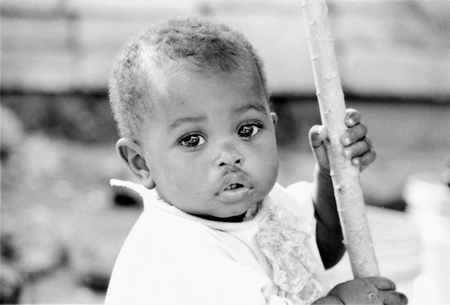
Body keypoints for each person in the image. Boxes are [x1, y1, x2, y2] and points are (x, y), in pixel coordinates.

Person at [105, 17, 407, 305]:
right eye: (192, 140)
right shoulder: (176, 255)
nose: (230, 156)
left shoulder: (260, 206)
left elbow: (319, 247)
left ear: (272, 128)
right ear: (141, 163)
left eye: (246, 130)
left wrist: (333, 178)